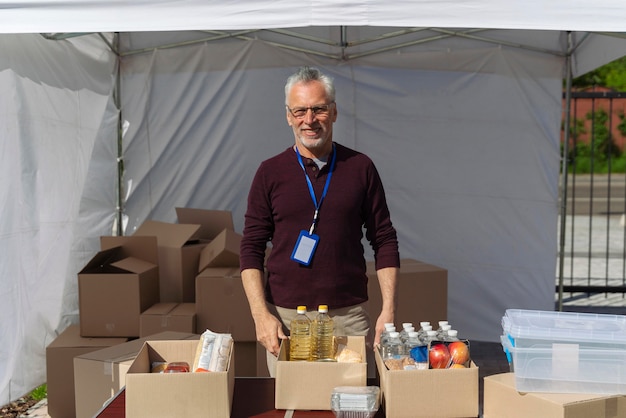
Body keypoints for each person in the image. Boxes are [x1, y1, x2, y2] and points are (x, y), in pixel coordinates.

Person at [239, 66, 400, 374]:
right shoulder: (269, 173)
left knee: (352, 404)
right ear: (288, 115)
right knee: (293, 405)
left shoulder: (360, 168)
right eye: (300, 111)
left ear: (334, 112)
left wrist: (388, 310)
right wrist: (261, 315)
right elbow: (251, 247)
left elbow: (384, 239)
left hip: (347, 317)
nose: (309, 120)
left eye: (318, 109)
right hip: (286, 321)